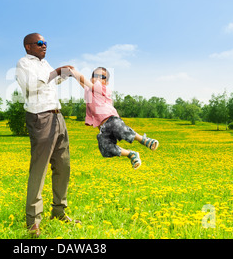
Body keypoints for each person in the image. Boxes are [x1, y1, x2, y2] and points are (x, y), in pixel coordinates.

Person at [15, 32, 78, 238]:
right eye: (39, 43)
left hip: (57, 116)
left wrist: (63, 74)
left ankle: (58, 212)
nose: (44, 46)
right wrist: (56, 71)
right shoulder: (24, 63)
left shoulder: (44, 63)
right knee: (39, 169)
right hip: (40, 117)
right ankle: (33, 221)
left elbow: (51, 82)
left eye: (45, 43)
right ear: (28, 47)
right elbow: (32, 86)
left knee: (63, 166)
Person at [70, 66, 159, 169]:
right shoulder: (89, 91)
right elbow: (82, 82)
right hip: (103, 128)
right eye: (95, 75)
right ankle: (131, 154)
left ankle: (143, 139)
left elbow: (82, 79)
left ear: (106, 83)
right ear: (91, 79)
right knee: (105, 147)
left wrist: (73, 72)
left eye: (102, 77)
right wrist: (72, 74)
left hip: (111, 120)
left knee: (119, 128)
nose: (98, 78)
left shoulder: (102, 89)